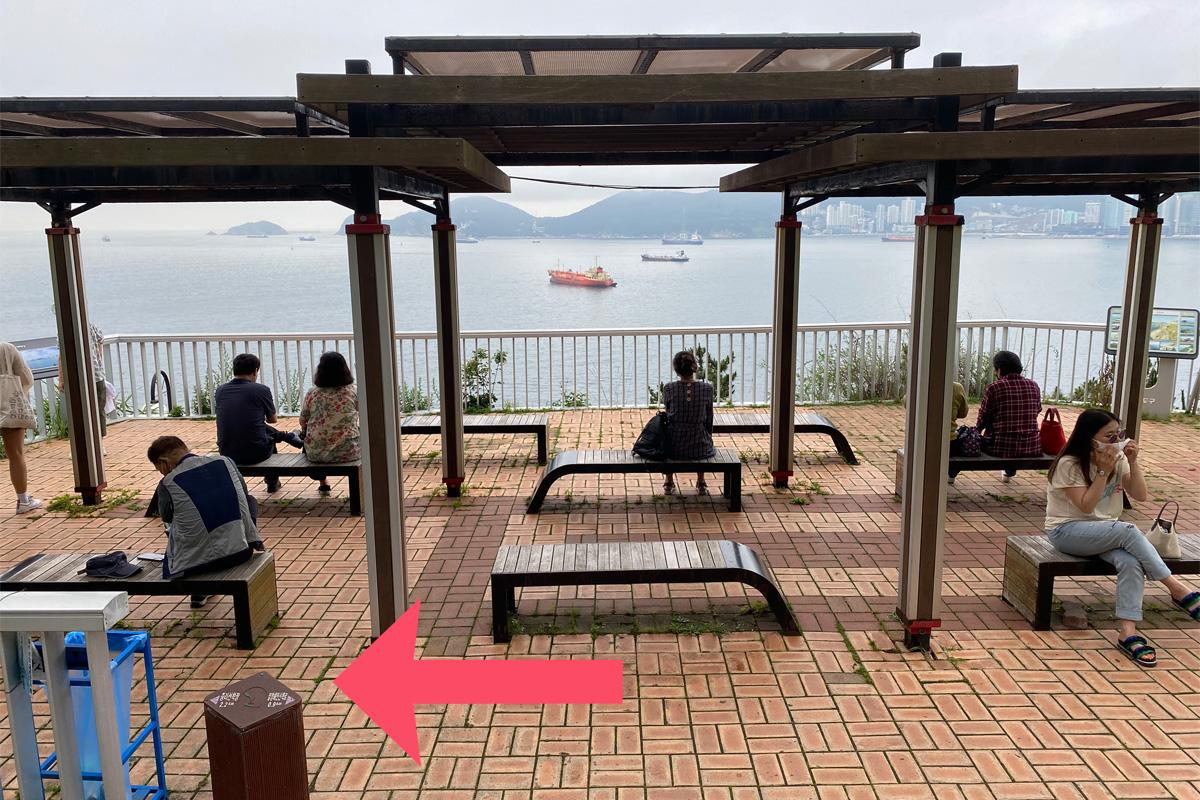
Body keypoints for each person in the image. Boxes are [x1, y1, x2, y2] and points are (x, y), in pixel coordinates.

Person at [1044, 409, 1199, 667]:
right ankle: (1177, 589)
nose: (1116, 439)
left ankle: (1128, 632)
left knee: (1130, 561)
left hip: (1106, 531)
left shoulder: (1118, 458)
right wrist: (1103, 472)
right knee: (1127, 530)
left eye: (1119, 434)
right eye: (1109, 435)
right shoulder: (1068, 464)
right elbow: (1085, 506)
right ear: (1090, 437)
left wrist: (1133, 462)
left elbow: (1140, 495)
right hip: (1067, 531)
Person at [147, 435, 265, 608]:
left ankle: (199, 591)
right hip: (240, 552)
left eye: (159, 469)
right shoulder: (225, 462)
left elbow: (167, 517)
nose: (162, 473)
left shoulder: (167, 483)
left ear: (163, 462)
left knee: (176, 525)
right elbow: (242, 491)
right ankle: (247, 539)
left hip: (193, 564)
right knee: (249, 501)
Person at [214, 353, 303, 492]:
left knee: (257, 427)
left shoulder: (220, 391)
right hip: (255, 453)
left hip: (227, 451)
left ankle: (289, 437)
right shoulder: (261, 390)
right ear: (255, 371)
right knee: (267, 438)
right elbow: (272, 420)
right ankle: (272, 481)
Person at [299, 351, 360, 494]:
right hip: (348, 450)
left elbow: (303, 421)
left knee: (314, 437)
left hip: (317, 453)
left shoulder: (313, 393)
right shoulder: (353, 391)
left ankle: (323, 482)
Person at [975, 350, 1041, 481]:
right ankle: (1009, 471)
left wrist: (976, 432)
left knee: (964, 441)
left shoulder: (994, 388)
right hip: (1031, 445)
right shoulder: (1034, 386)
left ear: (999, 370)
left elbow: (984, 416)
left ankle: (951, 473)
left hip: (1001, 446)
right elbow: (1037, 409)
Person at [662, 350, 715, 496]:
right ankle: (701, 481)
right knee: (700, 432)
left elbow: (668, 416)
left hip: (675, 448)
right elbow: (709, 419)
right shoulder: (707, 389)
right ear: (694, 367)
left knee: (668, 434)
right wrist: (708, 437)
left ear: (676, 369)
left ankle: (669, 481)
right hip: (700, 447)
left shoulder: (669, 388)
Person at [0, 341, 42, 514]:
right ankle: (23, 500)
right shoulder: (6, 349)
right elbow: (26, 378)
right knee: (15, 455)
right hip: (9, 408)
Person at [947, 381, 969, 457]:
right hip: (950, 440)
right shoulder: (957, 387)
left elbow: (908, 403)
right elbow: (963, 413)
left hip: (921, 440)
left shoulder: (920, 384)